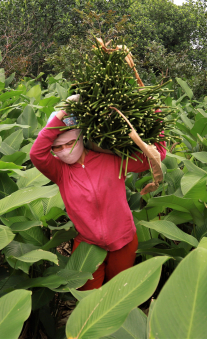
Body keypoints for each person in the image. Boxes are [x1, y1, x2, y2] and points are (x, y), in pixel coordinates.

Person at [29, 97, 166, 290]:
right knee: (89, 301)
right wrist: (62, 115)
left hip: (124, 240)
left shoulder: (111, 160)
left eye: (68, 143)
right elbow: (36, 154)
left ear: (79, 138)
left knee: (119, 293)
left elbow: (155, 156)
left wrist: (156, 115)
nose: (63, 151)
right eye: (57, 148)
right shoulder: (59, 171)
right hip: (88, 245)